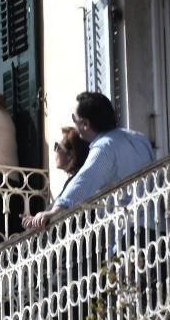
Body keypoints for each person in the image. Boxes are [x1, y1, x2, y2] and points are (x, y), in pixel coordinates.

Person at [23, 92, 154, 230]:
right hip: (156, 225)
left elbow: (84, 182)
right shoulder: (139, 138)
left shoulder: (104, 148)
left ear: (85, 124)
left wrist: (54, 211)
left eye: (74, 118)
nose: (73, 123)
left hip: (131, 230)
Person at [54, 126, 90, 196]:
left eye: (58, 147)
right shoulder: (84, 177)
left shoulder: (75, 183)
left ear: (69, 155)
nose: (55, 151)